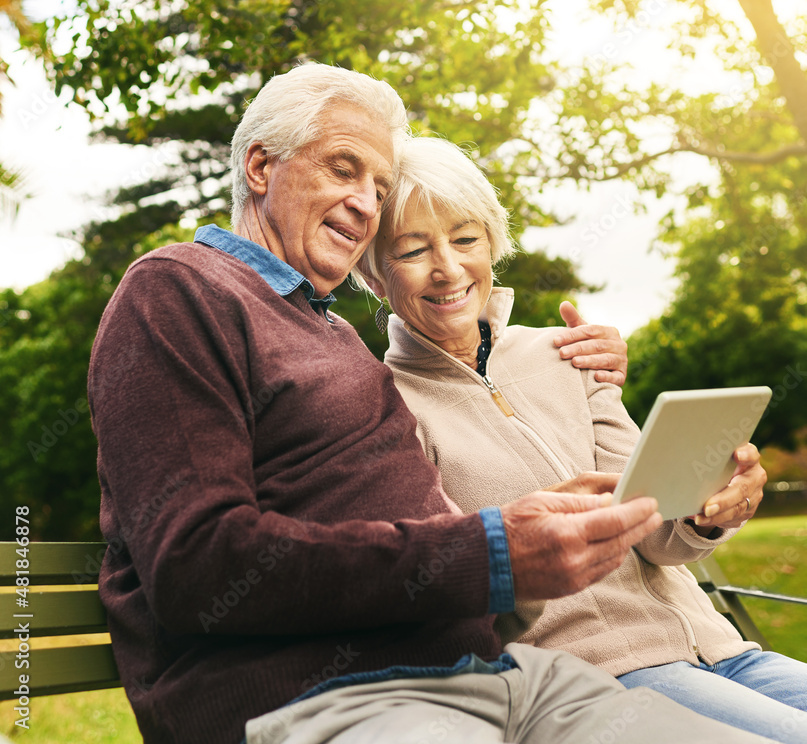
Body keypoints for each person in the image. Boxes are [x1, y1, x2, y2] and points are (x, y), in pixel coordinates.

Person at [88, 63, 775, 744]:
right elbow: (198, 566)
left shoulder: (333, 339)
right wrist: (495, 551)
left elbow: (429, 546)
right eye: (342, 168)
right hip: (346, 701)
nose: (365, 202)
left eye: (378, 185)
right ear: (261, 167)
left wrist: (530, 538)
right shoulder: (179, 290)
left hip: (503, 680)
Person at [357, 132, 807, 744]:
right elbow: (455, 596)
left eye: (466, 239)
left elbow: (658, 535)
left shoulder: (568, 354)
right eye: (413, 251)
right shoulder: (387, 406)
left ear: (492, 245)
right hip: (598, 679)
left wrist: (707, 512)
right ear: (375, 275)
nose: (449, 268)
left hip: (720, 645)